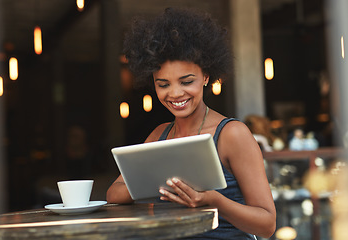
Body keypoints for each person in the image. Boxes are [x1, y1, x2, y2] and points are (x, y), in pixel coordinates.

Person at [106, 8, 276, 239]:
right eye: (163, 84)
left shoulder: (231, 134)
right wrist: (160, 180)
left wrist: (214, 200)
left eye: (186, 81)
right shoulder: (159, 135)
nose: (175, 93)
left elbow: (266, 225)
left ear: (206, 76)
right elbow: (114, 194)